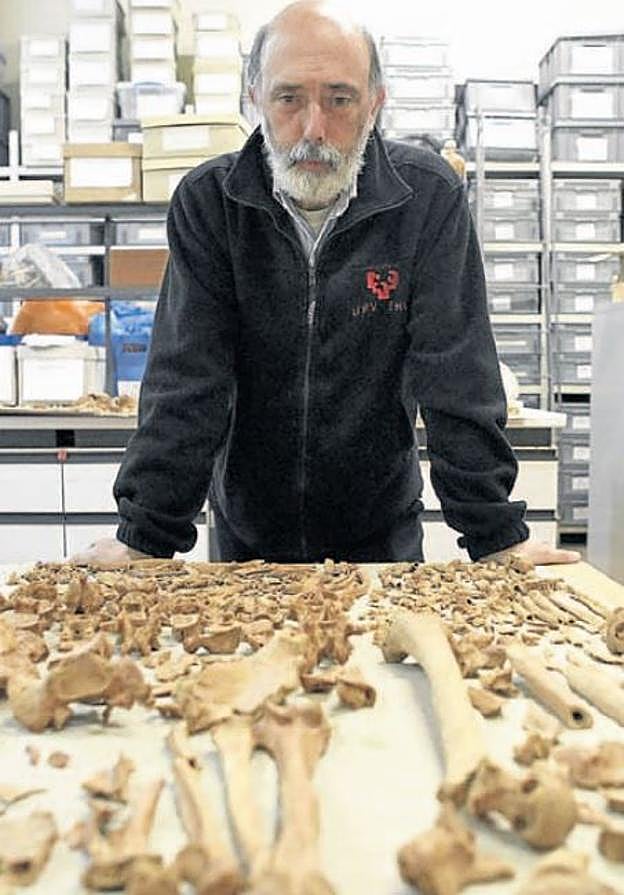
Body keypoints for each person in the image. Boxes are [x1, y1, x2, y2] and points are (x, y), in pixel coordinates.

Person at [76, 0, 579, 567]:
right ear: (254, 99)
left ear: (375, 103)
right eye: (289, 98)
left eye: (340, 99)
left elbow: (457, 375)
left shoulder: (427, 199)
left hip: (380, 537)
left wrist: (495, 536)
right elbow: (188, 379)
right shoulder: (210, 204)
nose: (314, 130)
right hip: (249, 540)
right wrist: (145, 537)